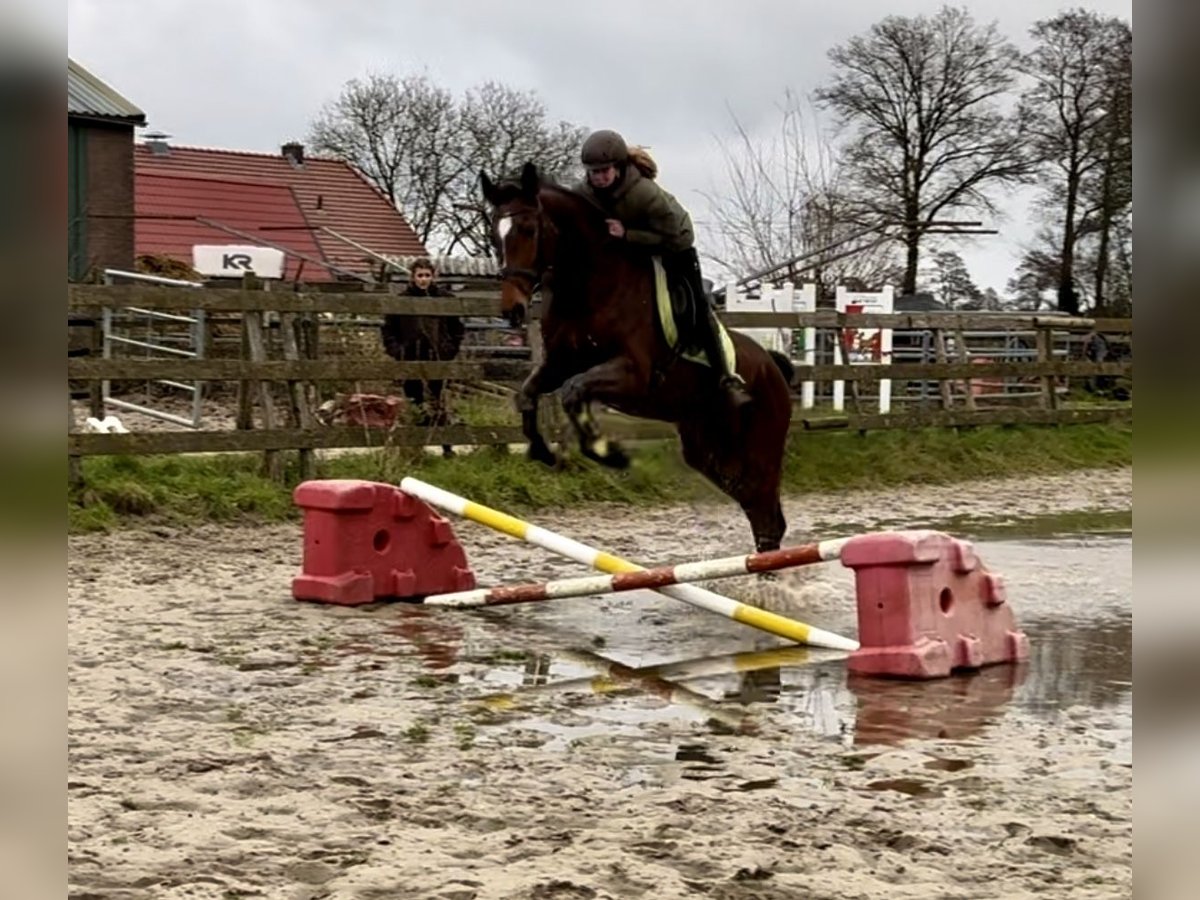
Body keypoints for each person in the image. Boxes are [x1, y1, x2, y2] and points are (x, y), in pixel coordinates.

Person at [574, 129, 751, 408]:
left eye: (604, 171)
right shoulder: (584, 192)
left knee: (695, 308)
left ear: (618, 168)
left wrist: (628, 234)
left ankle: (725, 377)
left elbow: (676, 236)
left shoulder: (645, 193)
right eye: (593, 172)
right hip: (629, 254)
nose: (598, 177)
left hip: (674, 248)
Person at [380, 258, 464, 453]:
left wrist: (449, 349)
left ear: (433, 277)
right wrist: (397, 351)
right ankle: (416, 447)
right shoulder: (401, 300)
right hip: (410, 356)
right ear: (413, 277)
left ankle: (447, 447)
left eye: (427, 275)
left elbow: (457, 328)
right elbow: (388, 330)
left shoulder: (445, 299)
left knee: (439, 400)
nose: (423, 280)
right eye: (420, 275)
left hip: (438, 357)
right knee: (414, 400)